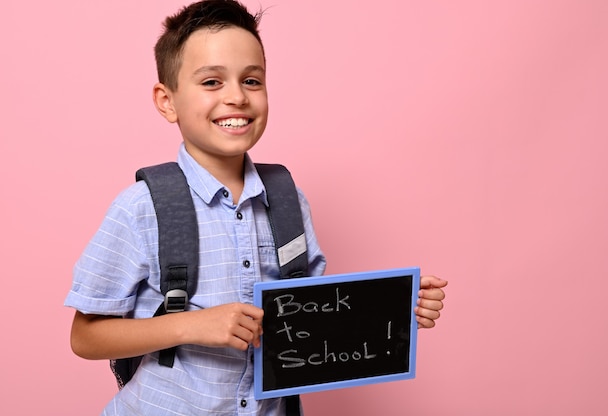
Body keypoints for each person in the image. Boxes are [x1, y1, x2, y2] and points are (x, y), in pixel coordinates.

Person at [64, 1, 448, 414]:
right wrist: (192, 325)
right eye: (211, 82)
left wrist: (392, 310)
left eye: (251, 80)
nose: (236, 97)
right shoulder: (142, 209)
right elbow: (85, 337)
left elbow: (311, 320)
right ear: (167, 101)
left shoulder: (287, 202)